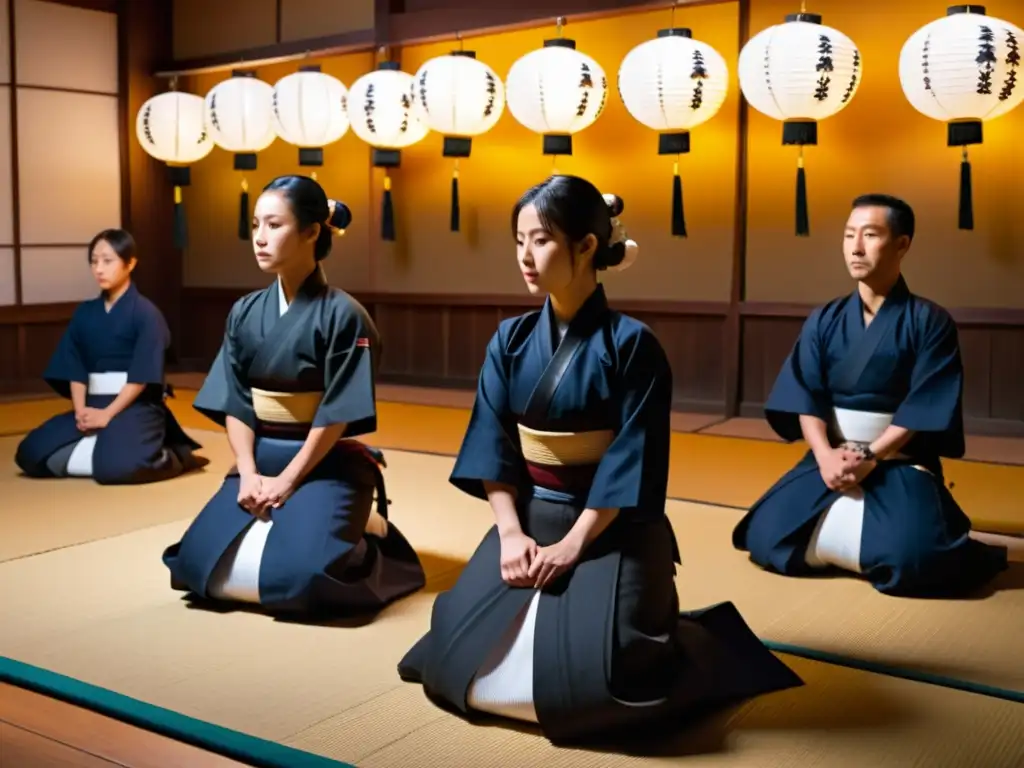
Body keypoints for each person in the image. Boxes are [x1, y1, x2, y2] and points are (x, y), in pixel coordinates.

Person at [397, 175, 802, 745]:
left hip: (612, 524)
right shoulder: (510, 341)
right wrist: (510, 535)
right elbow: (493, 444)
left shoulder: (631, 344)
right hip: (531, 514)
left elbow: (631, 458)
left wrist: (574, 544)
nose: (525, 256)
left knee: (610, 678)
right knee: (451, 656)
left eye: (540, 240)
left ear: (587, 246)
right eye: (519, 241)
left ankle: (705, 641)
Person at [161, 175, 425, 616]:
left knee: (302, 582)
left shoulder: (345, 316)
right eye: (255, 225)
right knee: (194, 568)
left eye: (275, 225)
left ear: (311, 232)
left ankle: (368, 534)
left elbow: (337, 412)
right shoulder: (245, 312)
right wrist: (247, 473)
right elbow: (236, 402)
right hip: (260, 458)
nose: (260, 239)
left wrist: (288, 481)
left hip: (324, 463)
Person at [732, 193, 1009, 597]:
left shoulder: (930, 321)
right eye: (848, 235)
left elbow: (924, 405)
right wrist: (826, 457)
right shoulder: (824, 319)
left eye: (870, 235)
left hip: (897, 459)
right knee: (765, 536)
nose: (856, 247)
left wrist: (872, 456)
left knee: (915, 560)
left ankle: (878, 537)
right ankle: (859, 543)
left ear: (902, 244)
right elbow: (804, 394)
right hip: (832, 455)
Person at [14, 229, 203, 484]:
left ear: (130, 263)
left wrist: (107, 415)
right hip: (93, 402)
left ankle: (176, 454)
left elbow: (142, 374)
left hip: (135, 405)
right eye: (94, 261)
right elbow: (75, 365)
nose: (99, 269)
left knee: (117, 469)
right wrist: (81, 411)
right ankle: (98, 450)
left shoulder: (147, 314)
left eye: (107, 261)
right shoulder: (85, 313)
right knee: (31, 453)